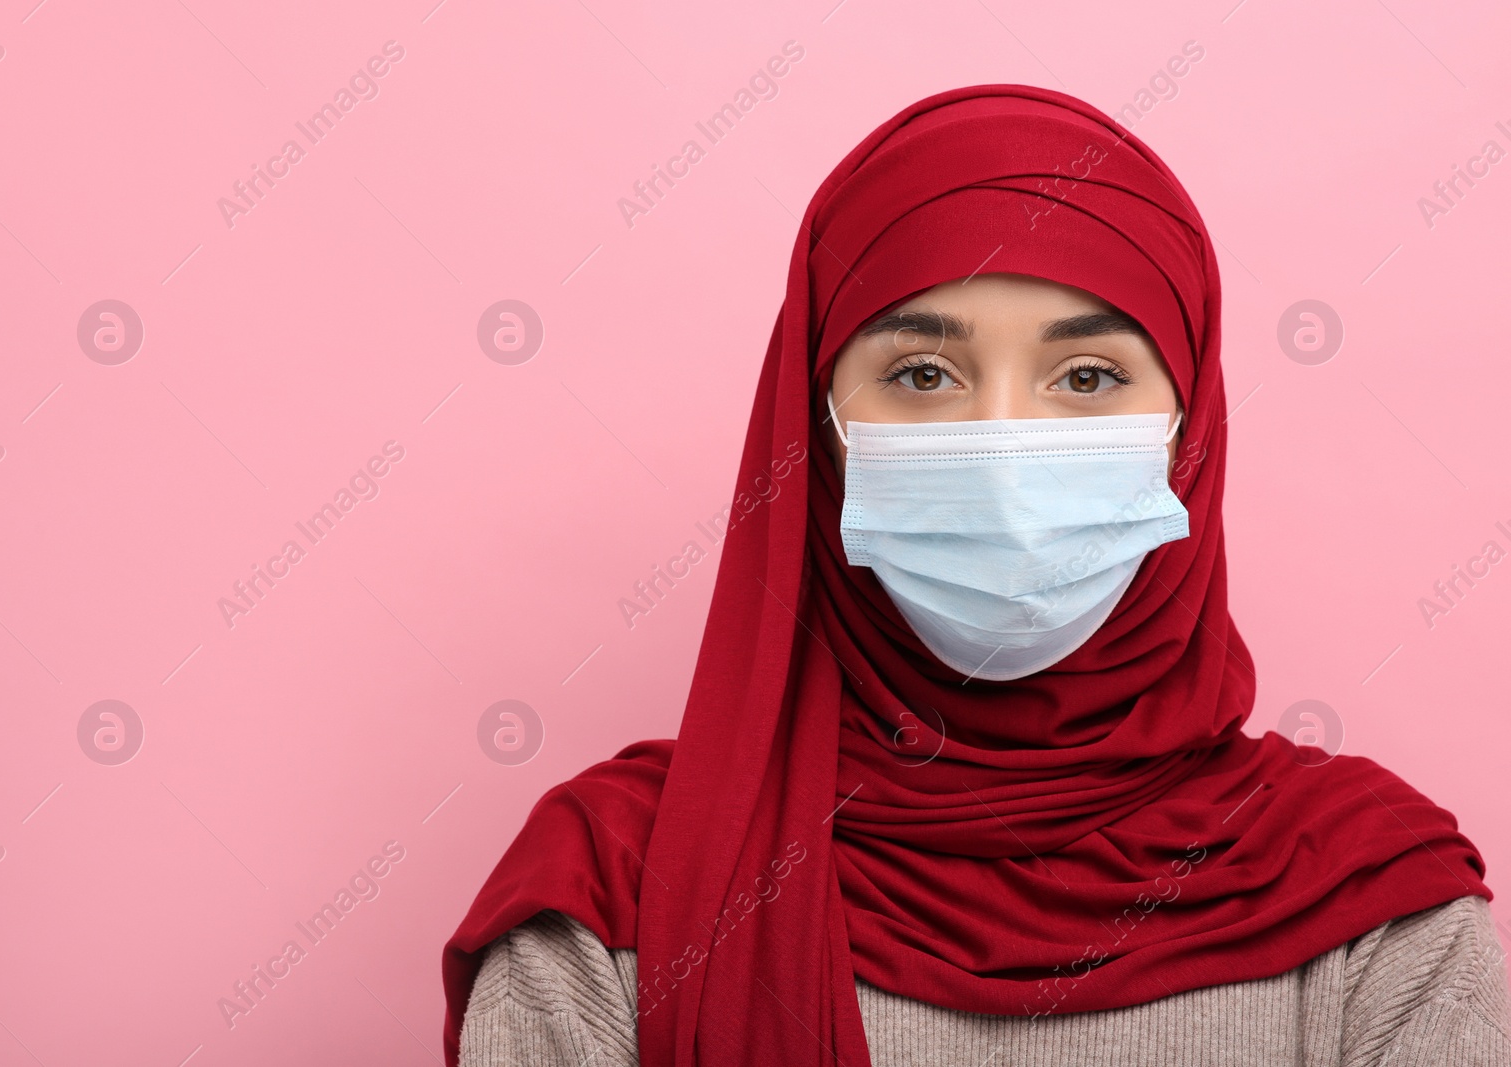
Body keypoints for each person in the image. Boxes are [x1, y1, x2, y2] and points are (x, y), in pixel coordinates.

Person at [442, 84, 1508, 1066]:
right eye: (921, 373)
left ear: (1189, 434)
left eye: (1086, 376)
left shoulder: (1371, 905)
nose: (1002, 444)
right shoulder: (613, 894)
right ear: (815, 432)